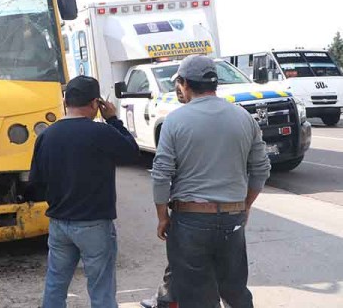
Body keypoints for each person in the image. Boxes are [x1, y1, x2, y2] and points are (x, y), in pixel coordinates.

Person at [150, 55, 271, 308]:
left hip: (190, 221)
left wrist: (162, 217)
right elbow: (261, 169)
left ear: (184, 83)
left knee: (197, 297)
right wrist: (244, 205)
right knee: (236, 292)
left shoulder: (175, 120)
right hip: (232, 219)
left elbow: (161, 174)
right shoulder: (244, 117)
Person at [26, 75, 139, 308]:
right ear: (95, 103)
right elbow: (131, 152)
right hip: (94, 223)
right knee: (101, 288)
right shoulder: (101, 132)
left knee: (56, 283)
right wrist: (113, 119)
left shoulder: (46, 135)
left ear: (65, 101)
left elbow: (36, 184)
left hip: (59, 222)